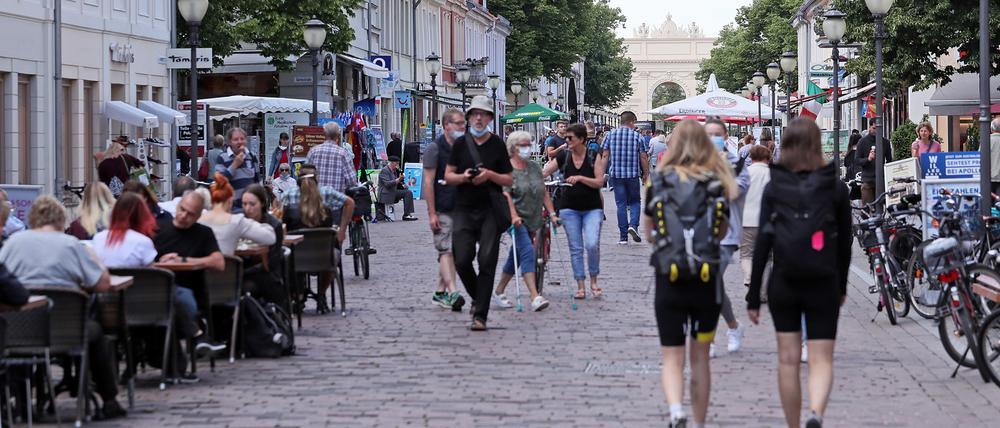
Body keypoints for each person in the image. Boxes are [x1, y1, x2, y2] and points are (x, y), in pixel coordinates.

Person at [748, 117, 852, 428]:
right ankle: (816, 413)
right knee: (821, 359)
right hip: (823, 281)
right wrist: (842, 285)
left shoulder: (775, 186)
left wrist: (754, 293)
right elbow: (845, 243)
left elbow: (764, 243)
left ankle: (794, 425)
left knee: (788, 360)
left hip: (785, 280)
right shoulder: (835, 187)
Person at [642, 120, 737, 428]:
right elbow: (721, 232)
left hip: (669, 276)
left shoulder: (658, 180)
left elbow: (649, 234)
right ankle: (698, 422)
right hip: (706, 280)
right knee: (700, 357)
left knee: (671, 356)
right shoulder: (715, 181)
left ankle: (675, 410)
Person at [0, 195, 127, 418]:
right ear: (60, 219)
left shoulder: (12, 243)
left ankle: (21, 402)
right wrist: (96, 260)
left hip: (21, 331)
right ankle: (109, 398)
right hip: (67, 331)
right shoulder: (70, 244)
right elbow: (102, 284)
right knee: (96, 333)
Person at [443, 95, 514, 331]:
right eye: (474, 114)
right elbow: (449, 175)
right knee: (462, 259)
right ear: (469, 117)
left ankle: (480, 315)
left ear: (490, 118)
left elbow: (508, 178)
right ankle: (479, 297)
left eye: (483, 114)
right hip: (463, 207)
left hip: (490, 210)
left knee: (487, 260)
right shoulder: (462, 144)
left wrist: (489, 175)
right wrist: (465, 177)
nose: (479, 118)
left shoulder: (497, 145)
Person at [152, 192, 228, 375]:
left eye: (190, 214)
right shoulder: (158, 231)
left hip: (193, 291)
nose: (184, 216)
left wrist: (186, 260)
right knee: (177, 296)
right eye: (182, 210)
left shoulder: (203, 233)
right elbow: (146, 264)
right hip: (159, 295)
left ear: (199, 215)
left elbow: (219, 262)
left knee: (183, 295)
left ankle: (196, 340)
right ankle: (199, 337)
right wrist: (161, 262)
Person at [492, 131, 555, 312]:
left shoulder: (534, 167)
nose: (528, 148)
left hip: (532, 218)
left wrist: (551, 213)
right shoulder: (506, 169)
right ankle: (535, 296)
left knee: (516, 256)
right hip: (514, 219)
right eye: (523, 145)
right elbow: (506, 195)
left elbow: (543, 191)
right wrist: (513, 216)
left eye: (529, 144)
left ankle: (499, 290)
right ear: (513, 147)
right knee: (528, 252)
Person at [543, 123, 606, 299]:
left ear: (581, 139)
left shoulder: (593, 155)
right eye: (566, 137)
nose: (566, 140)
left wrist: (580, 178)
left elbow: (599, 181)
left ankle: (594, 280)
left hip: (592, 208)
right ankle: (580, 285)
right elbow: (546, 171)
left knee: (592, 244)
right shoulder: (563, 155)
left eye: (570, 138)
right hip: (569, 208)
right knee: (576, 248)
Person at [704, 118, 748, 357]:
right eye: (708, 134)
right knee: (711, 285)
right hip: (698, 234)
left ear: (725, 136)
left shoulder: (739, 164)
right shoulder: (694, 164)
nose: (712, 139)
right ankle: (733, 325)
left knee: (709, 281)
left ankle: (707, 337)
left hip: (726, 234)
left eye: (716, 134)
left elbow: (733, 192)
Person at [423, 108, 467, 311]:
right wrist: (431, 213)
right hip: (442, 207)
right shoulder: (435, 148)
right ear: (447, 125)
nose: (463, 126)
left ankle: (439, 292)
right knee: (446, 250)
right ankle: (453, 292)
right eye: (458, 123)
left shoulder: (464, 146)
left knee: (456, 253)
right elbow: (428, 181)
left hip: (463, 207)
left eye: (463, 123)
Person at [283, 172, 340, 313]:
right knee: (333, 256)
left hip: (297, 260)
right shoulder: (326, 211)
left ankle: (297, 295)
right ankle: (321, 294)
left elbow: (284, 234)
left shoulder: (290, 211)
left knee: (285, 256)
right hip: (323, 260)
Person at [601, 111, 649, 245]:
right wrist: (646, 174)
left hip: (616, 175)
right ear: (632, 122)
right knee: (635, 201)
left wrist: (600, 173)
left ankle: (623, 238)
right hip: (632, 175)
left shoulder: (609, 135)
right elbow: (643, 157)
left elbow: (605, 156)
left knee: (621, 204)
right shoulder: (637, 136)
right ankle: (633, 225)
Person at [199, 173, 276, 256]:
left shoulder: (199, 218)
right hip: (227, 267)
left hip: (199, 266)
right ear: (230, 201)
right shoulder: (236, 221)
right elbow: (270, 238)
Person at [241, 184, 287, 308]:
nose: (247, 209)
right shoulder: (240, 223)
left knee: (244, 288)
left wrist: (243, 272)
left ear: (261, 203)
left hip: (267, 275)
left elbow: (272, 262)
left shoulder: (274, 224)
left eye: (252, 204)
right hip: (246, 271)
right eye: (244, 204)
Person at [281, 164, 354, 239]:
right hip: (325, 247)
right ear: (316, 178)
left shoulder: (287, 194)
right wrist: (342, 230)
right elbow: (350, 203)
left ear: (298, 179)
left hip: (296, 247)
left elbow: (279, 217)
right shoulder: (327, 192)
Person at [90, 193, 158, 268]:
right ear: (142, 215)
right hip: (136, 279)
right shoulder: (143, 242)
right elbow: (153, 275)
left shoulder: (98, 238)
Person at [740, 145, 772, 302]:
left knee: (746, 255)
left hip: (747, 220)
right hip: (767, 222)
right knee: (767, 258)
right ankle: (763, 293)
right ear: (768, 158)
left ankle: (749, 277)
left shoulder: (745, 173)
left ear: (751, 158)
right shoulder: (772, 174)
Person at [214, 127, 261, 212]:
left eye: (242, 139)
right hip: (232, 209)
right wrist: (234, 165)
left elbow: (257, 181)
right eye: (236, 139)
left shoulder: (251, 156)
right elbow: (219, 182)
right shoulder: (222, 157)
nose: (240, 142)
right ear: (230, 142)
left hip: (250, 208)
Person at [307, 122, 358, 195]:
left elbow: (305, 175)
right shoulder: (343, 154)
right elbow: (352, 181)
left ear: (324, 134)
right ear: (338, 135)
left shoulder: (313, 151)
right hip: (336, 200)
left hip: (316, 200)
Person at [855, 119, 893, 204]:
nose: (876, 131)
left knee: (880, 206)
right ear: (870, 127)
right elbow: (857, 160)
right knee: (867, 207)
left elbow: (890, 160)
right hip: (867, 179)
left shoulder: (885, 142)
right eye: (874, 128)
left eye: (879, 128)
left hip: (881, 179)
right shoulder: (862, 142)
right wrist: (868, 159)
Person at [377, 156, 418, 221]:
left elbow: (398, 183)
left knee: (408, 192)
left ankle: (407, 214)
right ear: (392, 163)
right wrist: (398, 179)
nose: (397, 165)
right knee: (407, 193)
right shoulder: (384, 170)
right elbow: (387, 184)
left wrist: (404, 185)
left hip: (392, 191)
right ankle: (406, 214)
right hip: (386, 193)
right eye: (397, 163)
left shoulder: (394, 171)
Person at [991, 118, 1000, 194]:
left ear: (991, 128)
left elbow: (979, 158)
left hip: (989, 178)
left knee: (987, 203)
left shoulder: (986, 140)